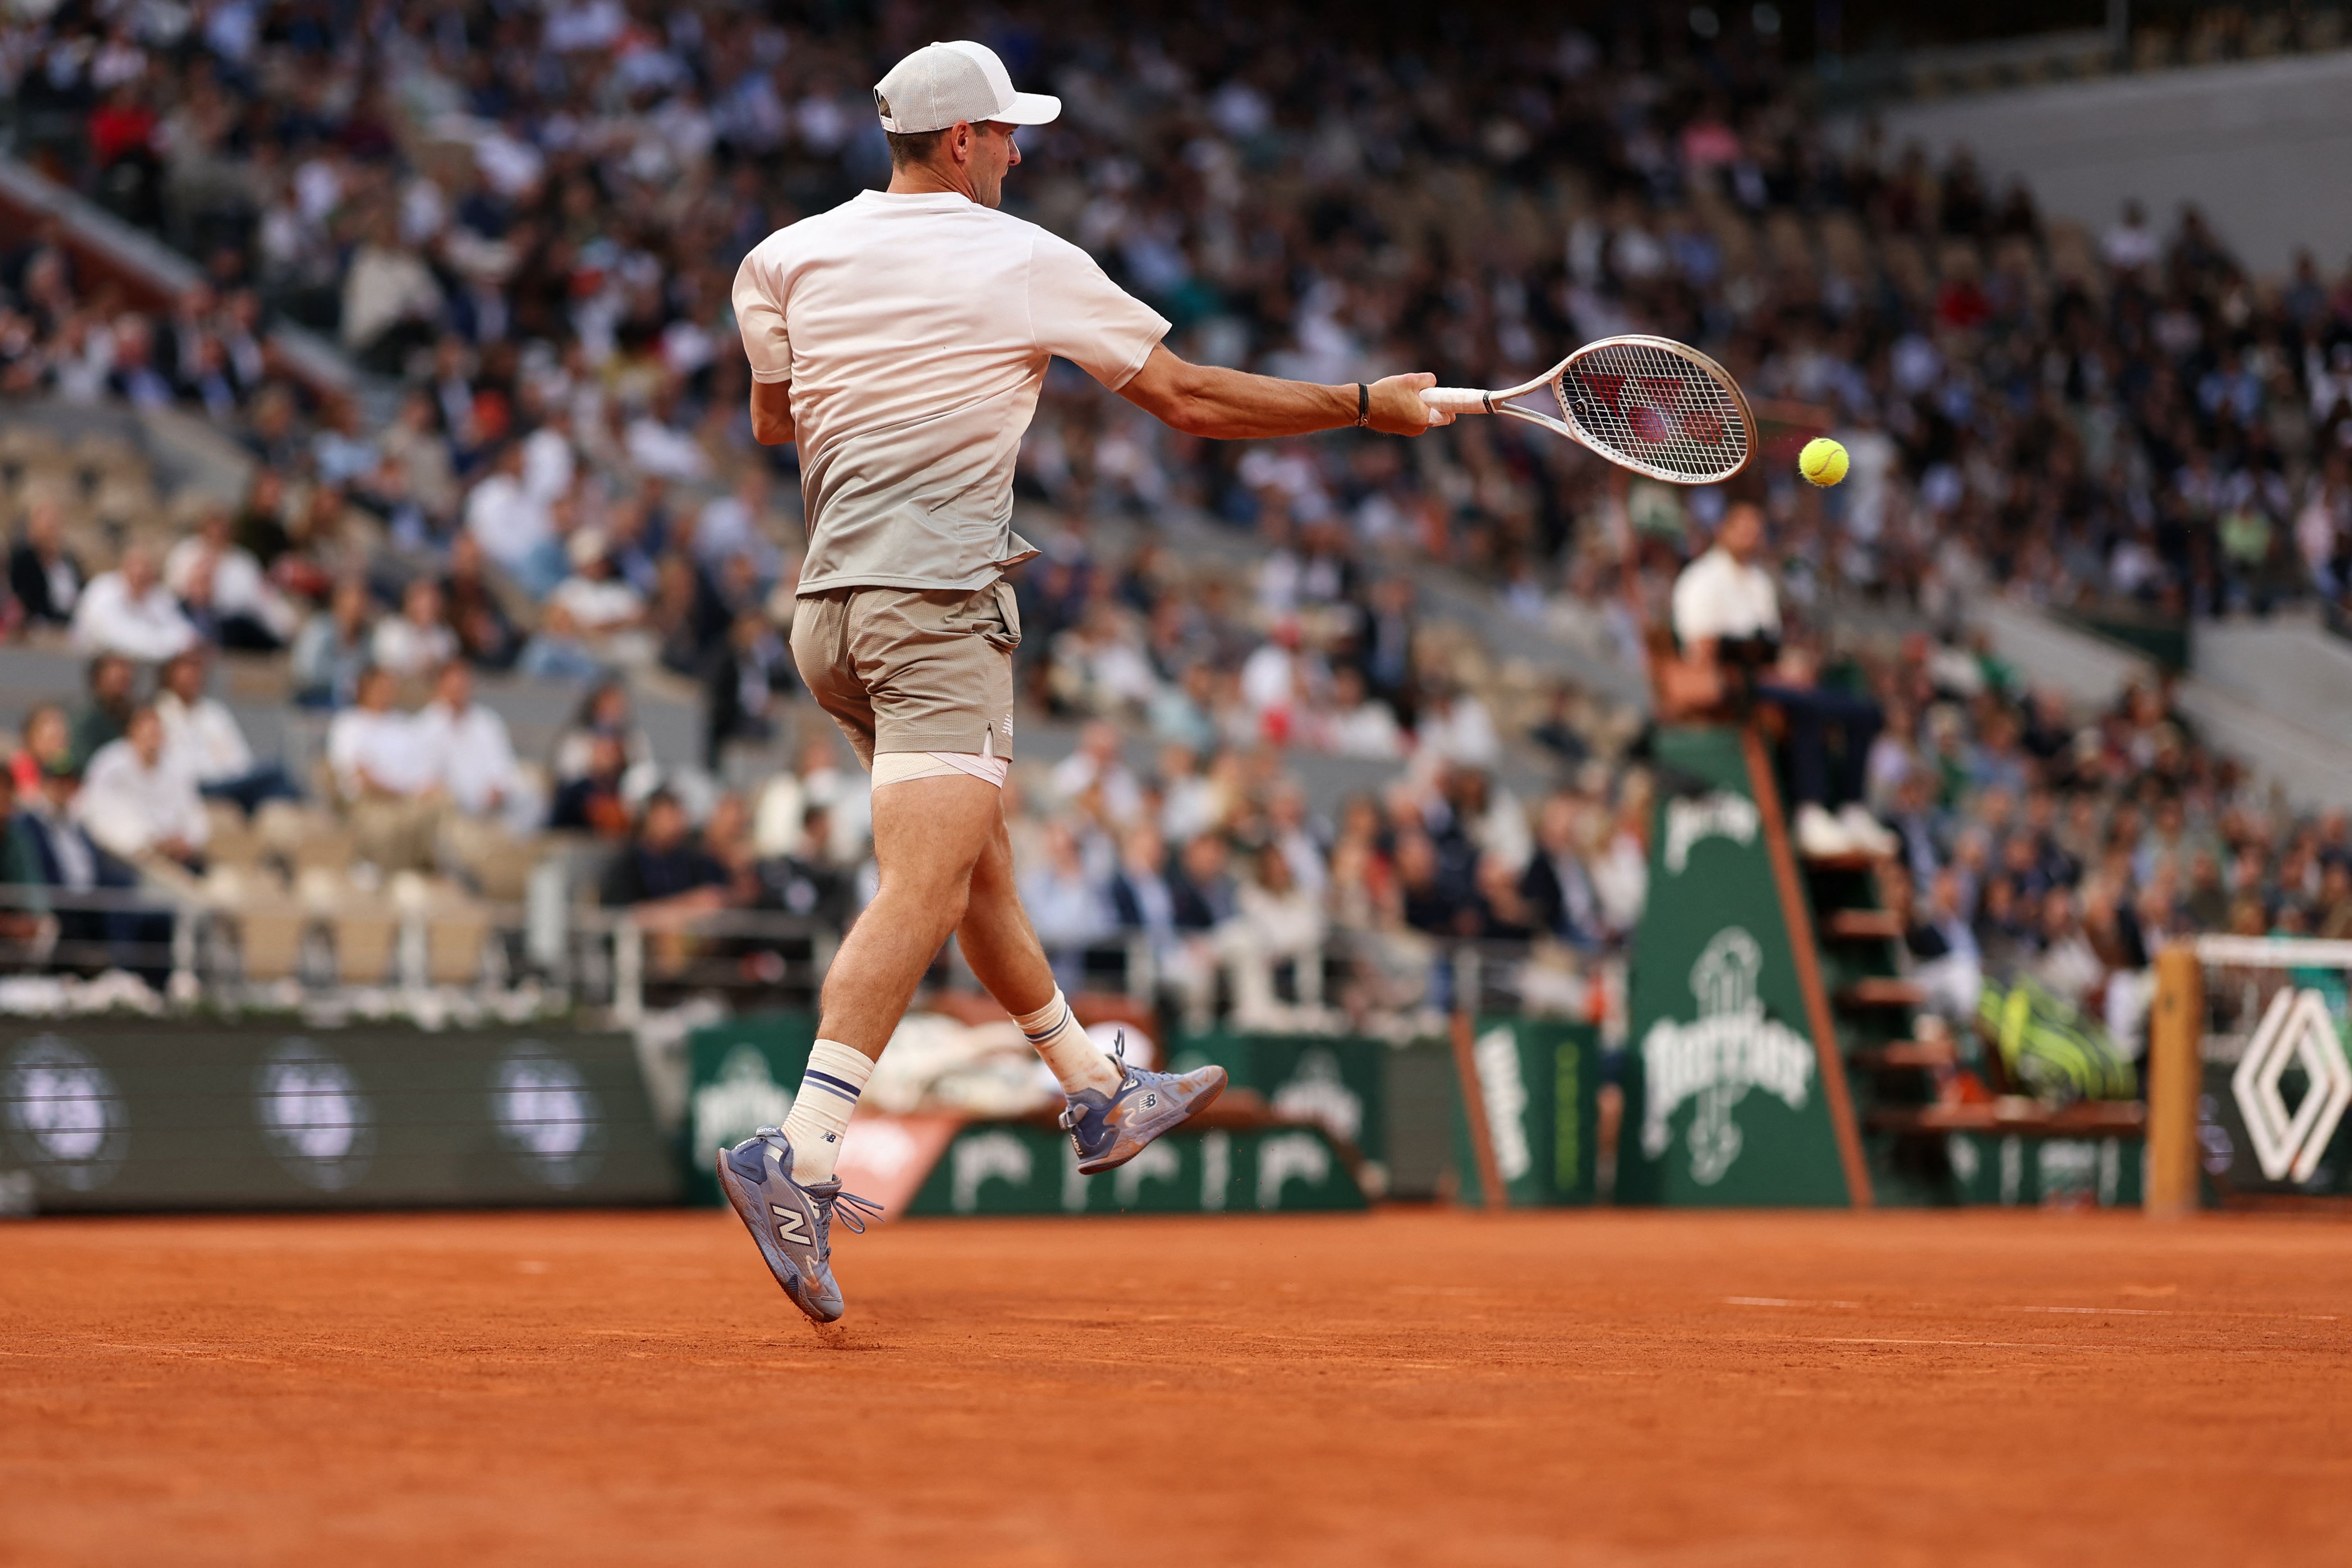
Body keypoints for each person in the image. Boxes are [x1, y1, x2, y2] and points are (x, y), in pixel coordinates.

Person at [714, 38, 1449, 1325]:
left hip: (828, 618)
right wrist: (1360, 402)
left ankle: (1095, 1085)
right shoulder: (1022, 259)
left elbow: (777, 422)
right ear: (959, 143)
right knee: (927, 879)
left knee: (974, 861)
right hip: (936, 606)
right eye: (1006, 133)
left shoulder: (783, 258)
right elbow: (1190, 399)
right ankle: (804, 1152)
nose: (1018, 151)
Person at [1667, 501, 1892, 859]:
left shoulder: (1759, 582)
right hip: (1728, 687)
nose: (1751, 537)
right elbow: (1702, 656)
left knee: (1865, 710)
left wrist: (1793, 669)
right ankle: (1809, 812)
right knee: (1807, 706)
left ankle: (1852, 808)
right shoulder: (1701, 580)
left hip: (1767, 681)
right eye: (1743, 527)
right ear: (1722, 529)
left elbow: (1770, 646)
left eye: (1757, 529)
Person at [153, 647, 298, 812]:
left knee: (276, 779)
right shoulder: (159, 713)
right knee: (276, 776)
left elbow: (242, 759)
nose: (193, 675)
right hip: (192, 786)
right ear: (169, 673)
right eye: (186, 668)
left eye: (197, 669)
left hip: (228, 783)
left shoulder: (214, 712)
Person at [77, 705, 209, 871]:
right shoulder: (110, 765)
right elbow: (100, 819)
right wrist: (150, 843)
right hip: (126, 861)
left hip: (179, 858)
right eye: (146, 731)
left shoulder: (177, 767)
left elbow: (195, 816)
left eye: (156, 731)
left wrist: (187, 842)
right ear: (131, 732)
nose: (152, 736)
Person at [70, 543, 197, 662]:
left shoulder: (158, 596)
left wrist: (164, 644)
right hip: (90, 664)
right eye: (135, 568)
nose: (140, 574)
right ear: (124, 568)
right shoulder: (102, 591)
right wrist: (167, 645)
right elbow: (124, 642)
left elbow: (186, 636)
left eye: (146, 571)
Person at [9, 499, 84, 626]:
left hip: (71, 625)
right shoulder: (23, 561)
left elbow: (82, 592)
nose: (52, 533)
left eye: (55, 526)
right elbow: (29, 603)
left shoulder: (68, 561)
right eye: (48, 527)